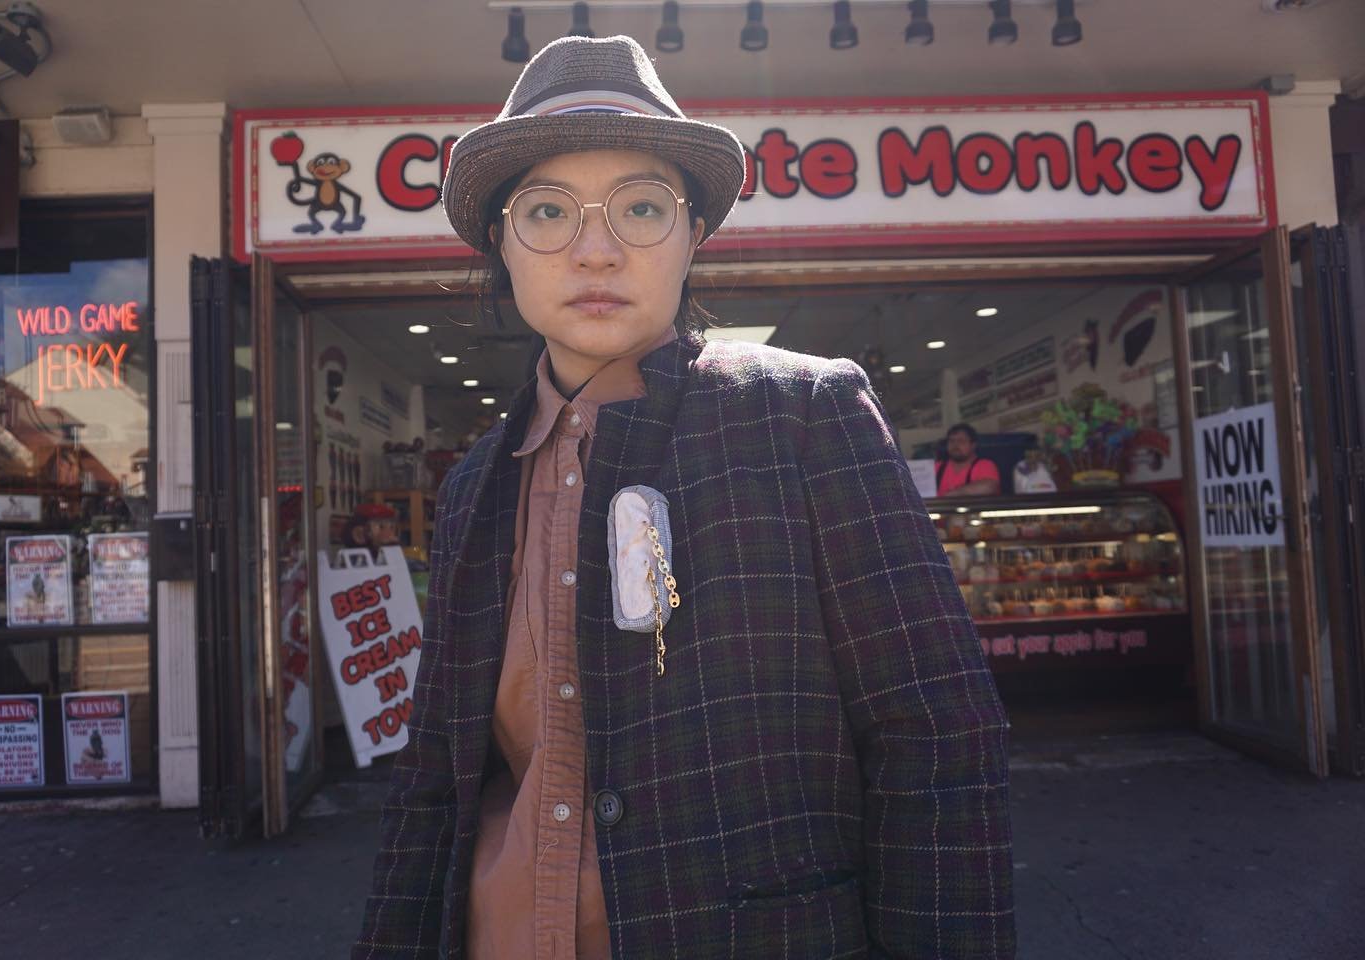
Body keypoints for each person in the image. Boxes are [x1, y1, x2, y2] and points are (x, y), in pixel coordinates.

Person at [355, 35, 1014, 960]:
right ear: (500, 243)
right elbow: (434, 779)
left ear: (694, 233)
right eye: (547, 210)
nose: (596, 249)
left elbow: (936, 738)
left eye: (641, 207)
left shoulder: (802, 415)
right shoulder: (474, 484)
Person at [937, 422, 1002, 497]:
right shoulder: (937, 467)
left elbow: (990, 487)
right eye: (951, 441)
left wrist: (954, 494)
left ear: (973, 445)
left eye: (961, 441)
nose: (955, 445)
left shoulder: (985, 465)